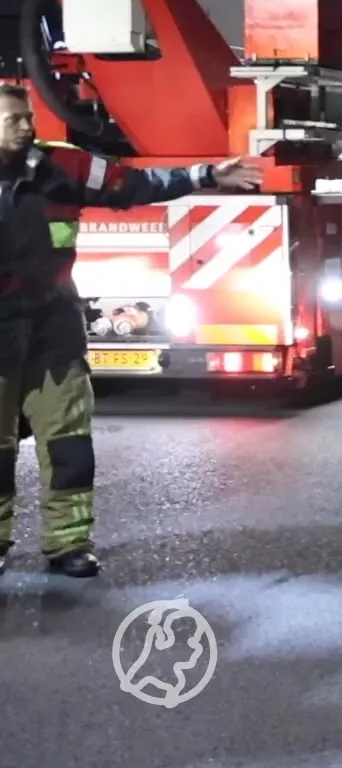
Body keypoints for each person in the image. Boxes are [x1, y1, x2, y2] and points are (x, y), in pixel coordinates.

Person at [0, 84, 262, 578]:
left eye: (28, 117)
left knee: (68, 440)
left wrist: (207, 174)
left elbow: (135, 184)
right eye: (14, 119)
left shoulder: (62, 166)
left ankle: (69, 544)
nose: (27, 127)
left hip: (53, 329)